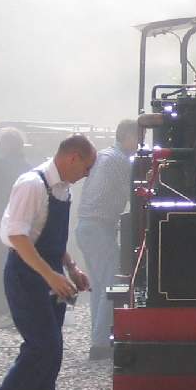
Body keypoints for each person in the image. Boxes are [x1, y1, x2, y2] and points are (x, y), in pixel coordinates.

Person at [0, 134, 96, 390]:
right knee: (43, 345)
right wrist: (50, 276)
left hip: (50, 275)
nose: (86, 175)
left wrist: (71, 268)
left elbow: (53, 238)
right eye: (86, 167)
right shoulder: (32, 185)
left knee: (53, 349)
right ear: (72, 157)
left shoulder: (62, 190)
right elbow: (18, 237)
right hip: (26, 275)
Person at [74, 119, 139, 360]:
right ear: (127, 136)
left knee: (101, 286)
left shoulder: (105, 155)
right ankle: (101, 343)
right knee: (111, 285)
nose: (140, 143)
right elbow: (134, 193)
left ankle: (98, 338)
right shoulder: (120, 161)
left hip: (88, 227)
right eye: (138, 137)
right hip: (99, 227)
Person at [0, 127, 28, 326]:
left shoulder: (1, 165)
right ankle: (15, 304)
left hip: (3, 217)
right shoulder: (26, 166)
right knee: (19, 262)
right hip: (22, 219)